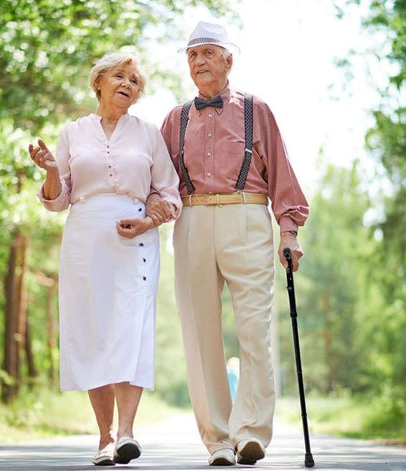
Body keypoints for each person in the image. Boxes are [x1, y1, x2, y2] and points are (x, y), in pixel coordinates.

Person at [147, 21, 309, 466]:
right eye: (191, 56)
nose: (198, 62)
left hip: (247, 215)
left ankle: (251, 432)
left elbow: (282, 173)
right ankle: (218, 438)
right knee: (200, 333)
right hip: (193, 219)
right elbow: (159, 182)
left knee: (255, 328)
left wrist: (289, 231)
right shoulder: (173, 119)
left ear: (228, 60)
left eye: (207, 53)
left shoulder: (258, 111)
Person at [28, 51, 181, 466]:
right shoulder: (73, 132)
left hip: (135, 238)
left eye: (135, 81)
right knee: (93, 331)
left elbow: (170, 194)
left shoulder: (149, 134)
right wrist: (50, 170)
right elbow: (57, 201)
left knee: (130, 329)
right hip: (84, 237)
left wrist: (149, 222)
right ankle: (104, 439)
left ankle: (127, 434)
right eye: (120, 76)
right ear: (99, 82)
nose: (128, 84)